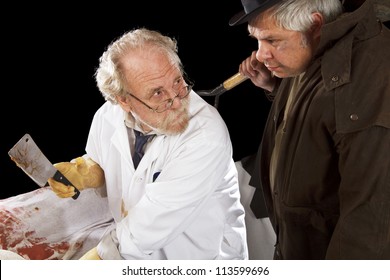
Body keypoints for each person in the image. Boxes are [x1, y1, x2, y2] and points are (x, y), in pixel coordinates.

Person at [47, 28, 248, 260]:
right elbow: (105, 162)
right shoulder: (107, 116)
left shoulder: (205, 136)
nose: (176, 101)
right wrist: (86, 170)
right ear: (124, 100)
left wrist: (99, 259)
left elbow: (143, 230)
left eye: (178, 82)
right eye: (157, 93)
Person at [229, 0, 390, 259]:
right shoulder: (314, 51)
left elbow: (370, 224)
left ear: (315, 24)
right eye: (257, 40)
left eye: (272, 40)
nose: (260, 55)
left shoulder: (372, 76)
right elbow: (325, 109)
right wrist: (276, 87)